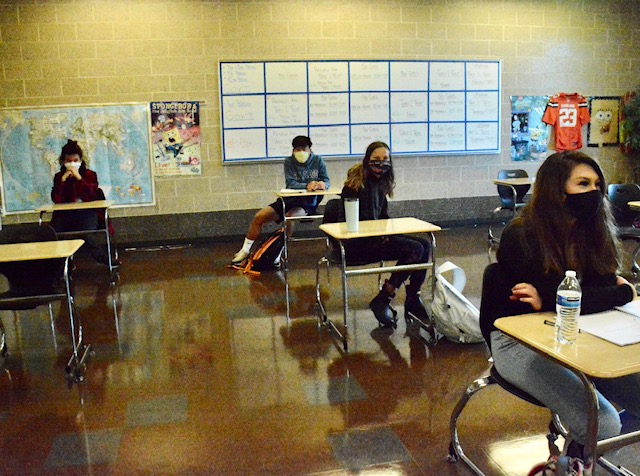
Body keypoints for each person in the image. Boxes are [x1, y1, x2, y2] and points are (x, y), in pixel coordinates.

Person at [484, 151, 640, 471]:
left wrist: (606, 294)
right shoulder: (521, 235)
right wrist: (622, 292)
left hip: (581, 333)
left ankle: (577, 455)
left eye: (597, 184)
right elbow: (571, 300)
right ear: (557, 190)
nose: (593, 192)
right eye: (582, 183)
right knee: (605, 424)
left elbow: (574, 298)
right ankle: (571, 462)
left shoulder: (594, 232)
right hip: (518, 342)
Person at [341, 141, 430, 329]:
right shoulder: (355, 185)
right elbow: (359, 221)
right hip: (358, 245)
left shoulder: (379, 183)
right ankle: (384, 298)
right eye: (376, 160)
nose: (381, 164)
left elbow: (382, 217)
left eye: (385, 160)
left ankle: (412, 298)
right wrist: (383, 233)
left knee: (425, 245)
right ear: (367, 160)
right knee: (416, 249)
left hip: (376, 239)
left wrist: (389, 232)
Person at [231, 135, 330, 264]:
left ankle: (278, 252)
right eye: (297, 149)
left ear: (310, 149)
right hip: (288, 199)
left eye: (304, 149)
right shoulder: (289, 161)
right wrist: (306, 185)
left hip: (307, 203)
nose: (301, 152)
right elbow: (290, 183)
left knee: (289, 217)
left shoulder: (318, 161)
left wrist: (323, 185)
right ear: (293, 151)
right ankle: (244, 250)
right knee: (259, 216)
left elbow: (327, 180)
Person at [50, 139, 110, 265]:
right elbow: (56, 199)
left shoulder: (90, 175)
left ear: (81, 161)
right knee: (53, 234)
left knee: (86, 233)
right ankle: (61, 266)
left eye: (75, 161)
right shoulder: (58, 177)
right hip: (65, 215)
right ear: (63, 162)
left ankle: (103, 259)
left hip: (87, 213)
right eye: (68, 161)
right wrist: (62, 181)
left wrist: (79, 178)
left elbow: (91, 195)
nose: (72, 164)